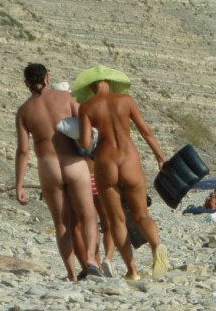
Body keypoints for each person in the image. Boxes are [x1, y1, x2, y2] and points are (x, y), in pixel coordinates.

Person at [75, 64, 168, 281]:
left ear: (90, 86)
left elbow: (87, 144)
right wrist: (159, 156)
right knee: (141, 214)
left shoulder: (86, 107)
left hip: (105, 162)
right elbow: (145, 130)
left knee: (116, 220)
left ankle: (132, 271)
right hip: (129, 160)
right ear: (110, 81)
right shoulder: (126, 101)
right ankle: (157, 246)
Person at [15, 63, 102, 281]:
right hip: (74, 163)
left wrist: (19, 184)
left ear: (25, 83)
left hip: (48, 167)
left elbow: (23, 151)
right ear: (47, 77)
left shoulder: (24, 111)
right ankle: (91, 261)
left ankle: (72, 274)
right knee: (88, 215)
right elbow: (84, 128)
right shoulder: (65, 98)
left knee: (62, 223)